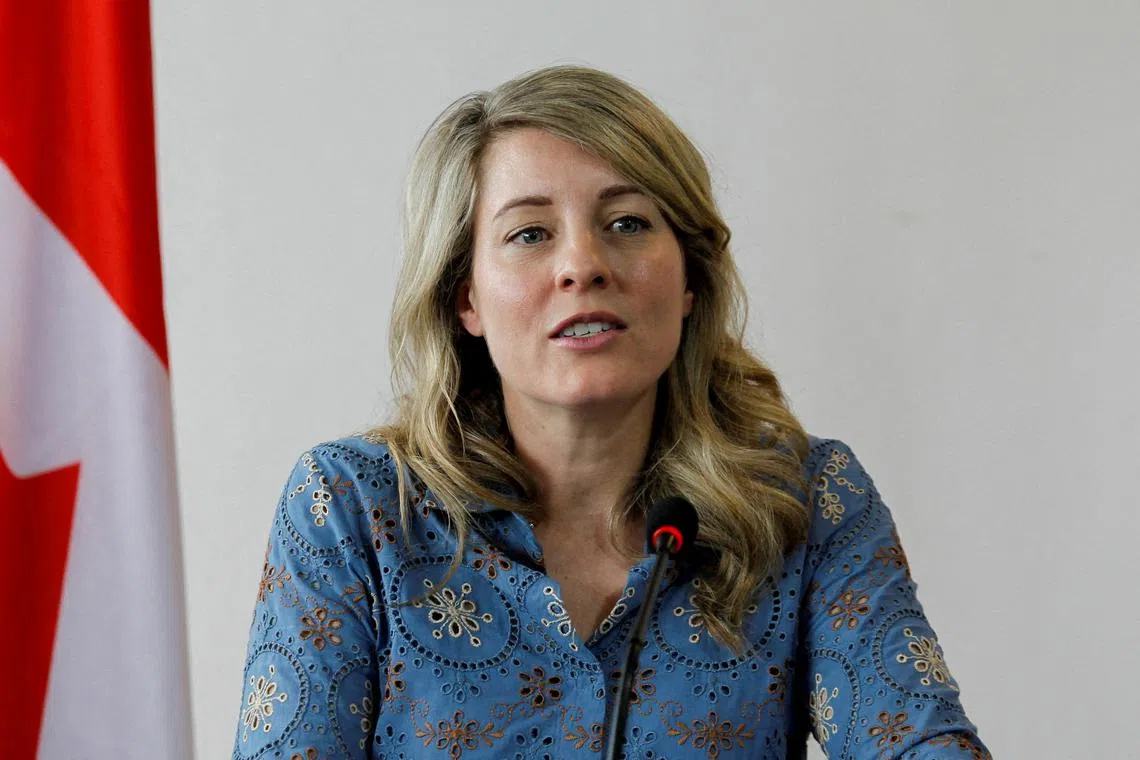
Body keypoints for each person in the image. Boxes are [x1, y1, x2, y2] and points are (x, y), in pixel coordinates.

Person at [232, 65, 990, 759]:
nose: (583, 264)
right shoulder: (355, 509)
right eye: (530, 234)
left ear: (689, 279)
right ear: (466, 297)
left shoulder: (808, 500)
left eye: (627, 222)